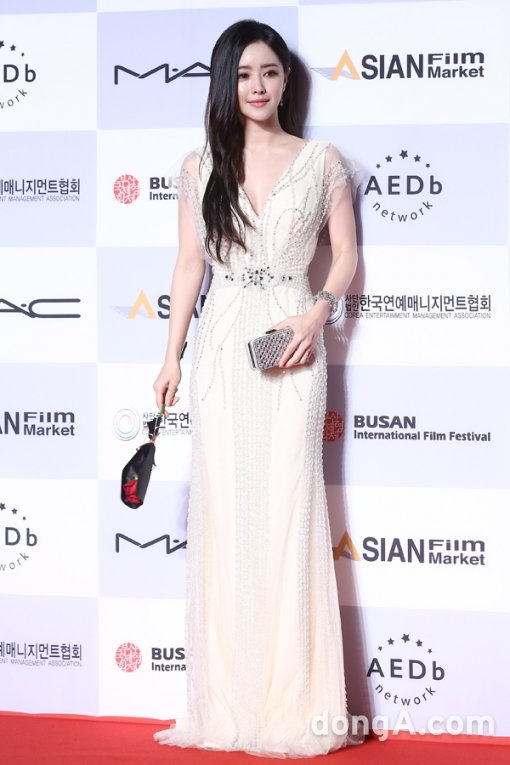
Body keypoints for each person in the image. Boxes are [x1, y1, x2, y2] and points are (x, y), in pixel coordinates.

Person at [153, 19, 362, 758]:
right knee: (227, 513)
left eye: (270, 72)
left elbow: (345, 254)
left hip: (293, 341)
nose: (258, 86)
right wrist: (171, 356)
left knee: (290, 506)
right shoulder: (199, 167)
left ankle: (293, 705)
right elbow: (189, 265)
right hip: (221, 347)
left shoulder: (321, 161)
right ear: (225, 83)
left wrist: (316, 311)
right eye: (243, 74)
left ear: (287, 80)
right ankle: (230, 703)